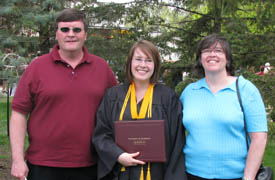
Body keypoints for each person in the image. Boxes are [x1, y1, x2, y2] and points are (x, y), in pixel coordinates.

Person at [10, 8, 117, 180]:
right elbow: (19, 113)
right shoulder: (37, 67)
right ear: (57, 34)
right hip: (43, 165)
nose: (71, 34)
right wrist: (17, 159)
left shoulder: (102, 68)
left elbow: (118, 109)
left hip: (92, 164)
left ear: (85, 35)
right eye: (65, 29)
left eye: (77, 30)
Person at [92, 40, 186, 180]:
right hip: (121, 174)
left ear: (155, 65)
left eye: (149, 60)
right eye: (138, 59)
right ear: (130, 62)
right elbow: (101, 134)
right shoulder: (113, 96)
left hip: (157, 174)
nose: (143, 65)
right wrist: (117, 155)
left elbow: (176, 144)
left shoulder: (168, 98)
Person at [180, 34, 268, 180]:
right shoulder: (189, 92)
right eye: (207, 50)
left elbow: (259, 139)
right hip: (191, 174)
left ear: (227, 59)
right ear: (200, 59)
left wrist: (248, 178)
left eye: (219, 51)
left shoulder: (246, 89)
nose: (212, 54)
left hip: (236, 176)